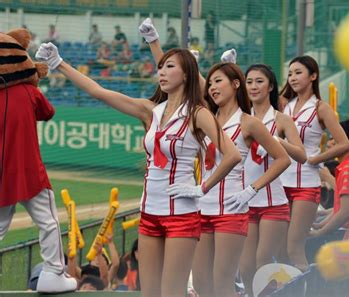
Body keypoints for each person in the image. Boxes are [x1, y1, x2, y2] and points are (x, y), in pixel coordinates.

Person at [36, 42, 241, 297]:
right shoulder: (149, 111)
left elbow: (232, 155)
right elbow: (99, 92)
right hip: (150, 211)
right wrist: (59, 63)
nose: (161, 72)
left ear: (187, 74)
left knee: (172, 293)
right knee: (149, 293)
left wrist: (201, 188)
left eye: (169, 66)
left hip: (181, 214)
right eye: (160, 68)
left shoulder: (198, 114)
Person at [184, 62, 290, 297]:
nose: (212, 87)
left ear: (235, 84)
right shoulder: (204, 119)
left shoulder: (249, 123)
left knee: (223, 286)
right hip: (201, 209)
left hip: (231, 211)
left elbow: (283, 159)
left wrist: (252, 190)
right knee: (201, 285)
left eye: (218, 81)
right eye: (209, 83)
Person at [0, 28, 76, 294]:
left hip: (1, 176)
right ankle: (54, 272)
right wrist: (33, 82)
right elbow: (48, 111)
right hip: (29, 171)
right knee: (48, 222)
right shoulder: (30, 93)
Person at [239, 64, 307, 296]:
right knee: (246, 267)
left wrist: (277, 142)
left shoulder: (281, 120)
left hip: (273, 203)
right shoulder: (241, 118)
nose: (254, 86)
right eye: (249, 81)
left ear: (270, 86)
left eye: (259, 81)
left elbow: (302, 155)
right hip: (245, 202)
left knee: (262, 263)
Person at [279, 55, 349, 271]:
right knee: (280, 249)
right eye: (290, 73)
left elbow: (344, 143)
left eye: (298, 73)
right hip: (281, 183)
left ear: (313, 76)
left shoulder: (321, 108)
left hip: (306, 185)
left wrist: (315, 159)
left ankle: (311, 289)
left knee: (294, 248)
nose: (292, 78)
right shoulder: (285, 107)